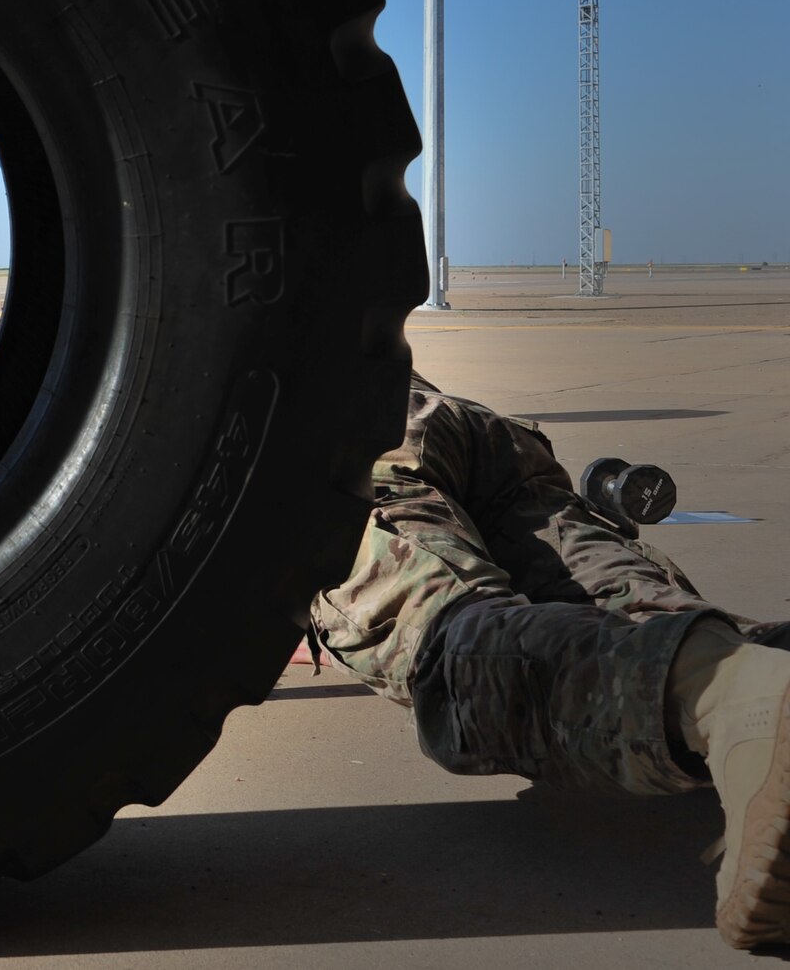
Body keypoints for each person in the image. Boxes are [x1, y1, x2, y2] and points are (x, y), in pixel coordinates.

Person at [310, 372, 790, 952]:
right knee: (617, 588)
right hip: (465, 425)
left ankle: (731, 694)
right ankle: (759, 662)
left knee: (443, 635)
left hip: (340, 439)